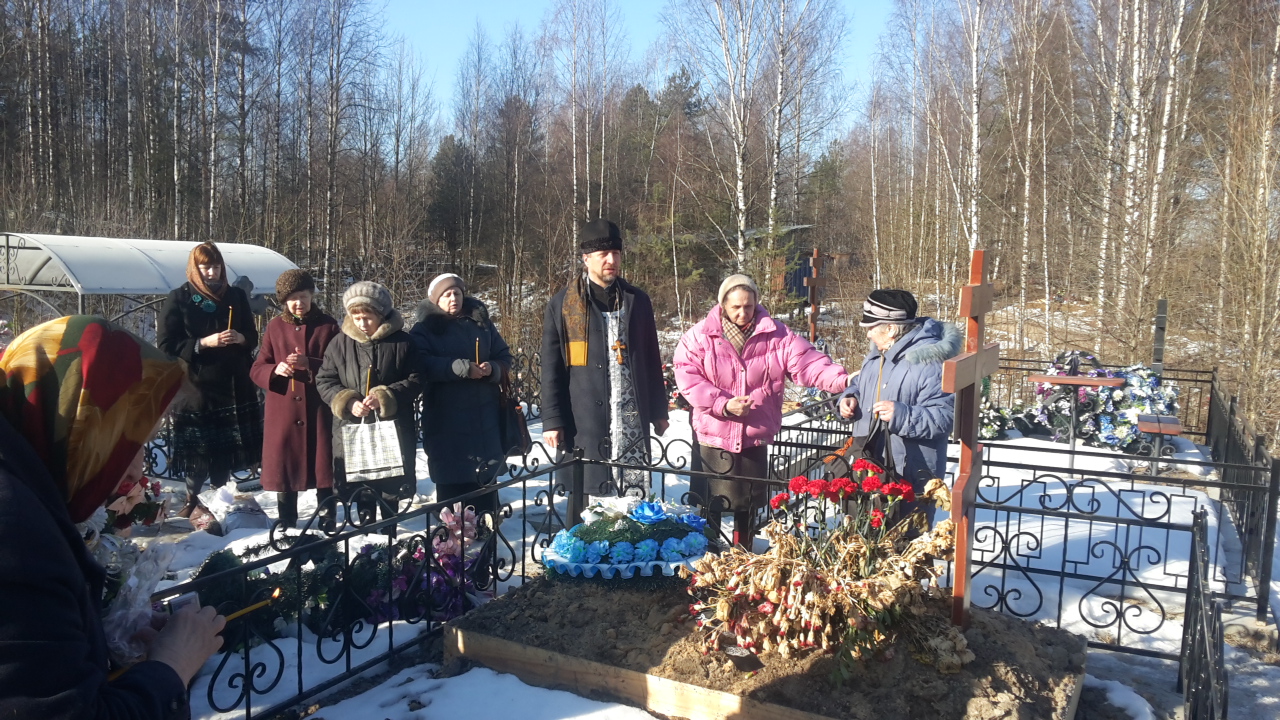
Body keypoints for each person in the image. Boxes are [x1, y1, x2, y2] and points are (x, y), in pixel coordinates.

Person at [0, 316, 227, 718]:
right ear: (84, 424)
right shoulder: (17, 535)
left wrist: (89, 638)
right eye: (131, 440)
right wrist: (173, 665)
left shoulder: (24, 489)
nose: (139, 468)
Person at [674, 274, 850, 547]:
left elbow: (808, 363)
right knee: (711, 504)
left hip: (753, 435)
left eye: (748, 306)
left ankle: (742, 555)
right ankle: (708, 555)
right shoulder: (699, 337)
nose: (743, 313)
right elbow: (688, 379)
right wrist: (723, 404)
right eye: (735, 307)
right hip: (714, 434)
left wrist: (841, 380)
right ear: (722, 305)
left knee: (747, 505)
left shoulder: (778, 335)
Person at [540, 219, 669, 497]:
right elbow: (551, 367)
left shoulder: (637, 300)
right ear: (586, 259)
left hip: (630, 414)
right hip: (583, 416)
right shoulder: (564, 304)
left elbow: (650, 357)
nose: (611, 260)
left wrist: (659, 409)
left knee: (630, 498)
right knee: (587, 495)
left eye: (617, 254)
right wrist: (552, 419)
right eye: (603, 255)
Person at [157, 242, 262, 517]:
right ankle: (192, 499)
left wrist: (241, 338)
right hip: (198, 386)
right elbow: (166, 344)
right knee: (200, 450)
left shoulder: (236, 296)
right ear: (195, 268)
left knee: (225, 448)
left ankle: (219, 498)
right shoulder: (180, 298)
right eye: (206, 267)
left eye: (216, 266)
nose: (212, 272)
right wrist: (203, 342)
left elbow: (252, 335)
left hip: (233, 384)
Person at [838, 289, 960, 519]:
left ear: (891, 329)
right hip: (870, 468)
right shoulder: (879, 353)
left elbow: (945, 417)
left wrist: (901, 415)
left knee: (903, 543)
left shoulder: (930, 361)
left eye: (871, 328)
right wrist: (850, 397)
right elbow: (861, 384)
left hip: (909, 477)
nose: (868, 336)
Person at [316, 281, 423, 526]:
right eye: (357, 317)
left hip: (392, 428)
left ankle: (389, 530)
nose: (362, 323)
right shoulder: (338, 344)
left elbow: (417, 378)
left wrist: (386, 396)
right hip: (353, 429)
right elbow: (325, 380)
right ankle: (365, 536)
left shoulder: (403, 343)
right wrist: (346, 400)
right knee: (361, 487)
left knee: (390, 486)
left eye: (368, 317)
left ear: (381, 315)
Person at [410, 273, 513, 517]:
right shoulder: (424, 329)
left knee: (485, 474)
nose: (453, 298)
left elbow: (504, 355)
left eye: (457, 292)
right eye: (446, 294)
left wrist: (493, 368)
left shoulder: (481, 323)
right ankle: (453, 532)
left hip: (483, 412)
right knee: (453, 473)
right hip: (446, 413)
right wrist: (459, 368)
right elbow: (420, 364)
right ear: (436, 300)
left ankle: (488, 521)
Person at [250, 270, 340, 530]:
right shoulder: (275, 327)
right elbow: (257, 367)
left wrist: (308, 364)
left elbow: (341, 365)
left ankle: (328, 516)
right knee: (285, 466)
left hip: (318, 407)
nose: (298, 303)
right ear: (284, 301)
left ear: (312, 295)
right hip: (284, 410)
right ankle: (287, 518)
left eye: (303, 296)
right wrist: (276, 370)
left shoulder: (328, 325)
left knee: (323, 465)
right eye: (292, 298)